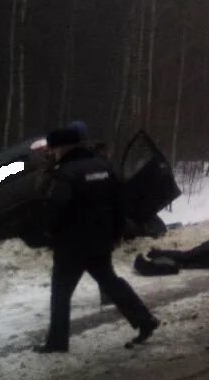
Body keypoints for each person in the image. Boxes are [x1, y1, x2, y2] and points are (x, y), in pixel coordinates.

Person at [35, 127, 159, 353]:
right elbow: (120, 204)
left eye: (53, 149)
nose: (52, 153)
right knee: (111, 282)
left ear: (61, 148)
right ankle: (144, 320)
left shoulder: (66, 173)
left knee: (61, 292)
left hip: (71, 244)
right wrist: (116, 233)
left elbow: (55, 207)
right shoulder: (103, 167)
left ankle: (57, 342)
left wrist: (46, 232)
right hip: (100, 241)